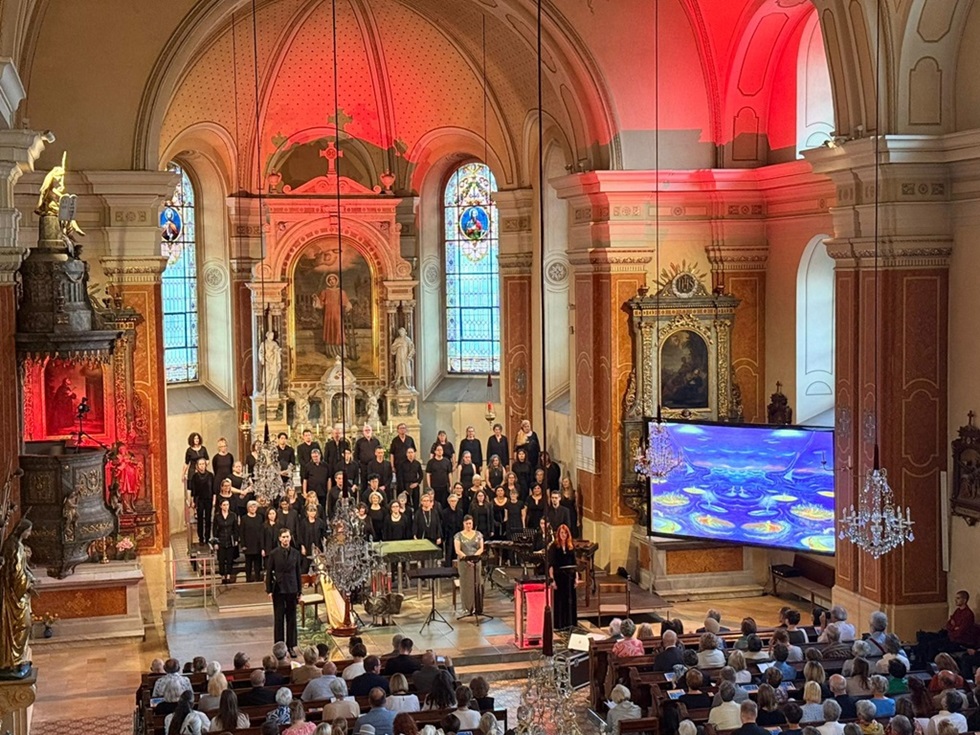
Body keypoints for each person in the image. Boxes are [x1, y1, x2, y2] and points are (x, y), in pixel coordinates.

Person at [265, 528, 302, 656]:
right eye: (284, 537)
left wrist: (300, 591)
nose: (286, 539)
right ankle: (279, 647)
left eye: (287, 536)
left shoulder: (296, 553)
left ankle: (291, 646)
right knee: (279, 619)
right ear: (280, 538)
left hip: (292, 589)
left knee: (291, 619)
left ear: (290, 538)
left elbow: (298, 573)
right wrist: (269, 590)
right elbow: (269, 572)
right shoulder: (274, 553)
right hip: (278, 589)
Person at [547, 523, 578, 631]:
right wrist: (552, 580)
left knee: (570, 600)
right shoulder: (554, 547)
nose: (563, 535)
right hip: (559, 577)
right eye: (562, 533)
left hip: (569, 577)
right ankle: (559, 624)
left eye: (565, 533)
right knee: (559, 601)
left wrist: (576, 578)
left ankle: (570, 623)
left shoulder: (571, 546)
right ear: (558, 534)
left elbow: (574, 564)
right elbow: (551, 565)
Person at [454, 515, 485, 614]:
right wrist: (467, 559)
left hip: (476, 562)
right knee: (466, 584)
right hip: (464, 563)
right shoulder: (458, 536)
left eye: (470, 523)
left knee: (477, 583)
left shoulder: (478, 534)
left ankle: (477, 607)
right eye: (467, 523)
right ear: (463, 524)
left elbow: (481, 548)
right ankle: (467, 608)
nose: (468, 525)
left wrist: (474, 558)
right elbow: (458, 550)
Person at [188, 457, 215, 545]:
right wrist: (192, 501)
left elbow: (213, 489)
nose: (202, 466)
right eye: (200, 464)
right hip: (199, 499)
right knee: (199, 519)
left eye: (203, 464)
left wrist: (214, 499)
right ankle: (201, 538)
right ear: (197, 466)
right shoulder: (195, 476)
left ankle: (207, 537)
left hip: (209, 499)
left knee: (208, 518)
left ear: (206, 465)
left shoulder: (210, 475)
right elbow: (193, 490)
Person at [213, 498, 238, 584]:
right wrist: (215, 542)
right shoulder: (217, 516)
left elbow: (235, 529)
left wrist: (236, 539)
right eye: (224, 505)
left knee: (230, 559)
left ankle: (229, 575)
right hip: (221, 540)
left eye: (227, 505)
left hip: (230, 540)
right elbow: (215, 530)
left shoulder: (233, 515)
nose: (226, 506)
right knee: (221, 559)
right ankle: (222, 575)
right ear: (220, 506)